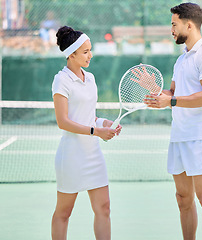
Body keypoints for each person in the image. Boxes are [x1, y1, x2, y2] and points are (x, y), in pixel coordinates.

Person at [144, 3, 202, 240]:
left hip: (200, 136)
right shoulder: (182, 60)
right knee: (183, 200)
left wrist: (172, 102)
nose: (171, 29)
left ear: (189, 25)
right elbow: (172, 93)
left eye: (174, 24)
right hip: (179, 136)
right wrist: (156, 91)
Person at [51, 26, 122, 240]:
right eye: (85, 52)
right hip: (71, 156)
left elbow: (88, 116)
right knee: (64, 212)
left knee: (104, 208)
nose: (90, 55)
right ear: (71, 54)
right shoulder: (61, 80)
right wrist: (96, 131)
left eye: (90, 50)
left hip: (93, 155)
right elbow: (63, 122)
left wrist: (104, 122)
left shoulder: (90, 78)